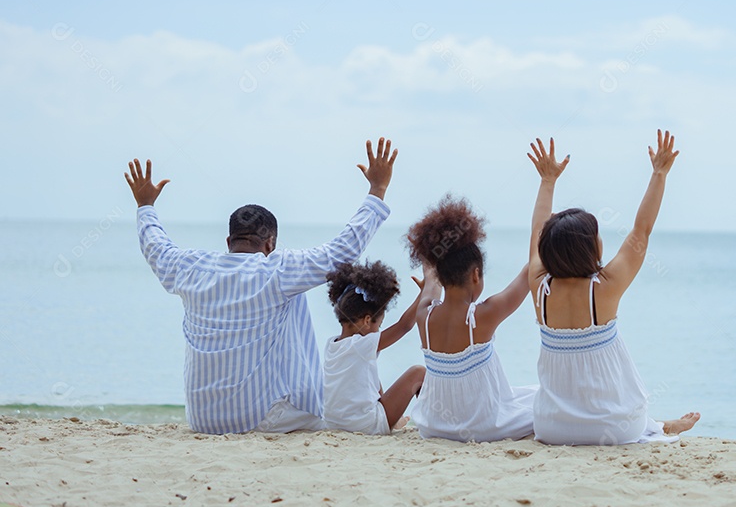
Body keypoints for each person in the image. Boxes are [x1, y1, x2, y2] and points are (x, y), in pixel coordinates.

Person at [125, 138, 398, 434]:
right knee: (294, 292)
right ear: (270, 244)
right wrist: (377, 190)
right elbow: (340, 253)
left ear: (229, 242)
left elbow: (156, 248)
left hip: (202, 420)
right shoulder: (276, 270)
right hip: (261, 419)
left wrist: (145, 206)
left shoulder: (191, 268)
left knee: (291, 290)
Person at [527, 131, 700, 445]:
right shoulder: (604, 289)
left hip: (551, 430)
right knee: (628, 412)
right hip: (615, 430)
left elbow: (538, 230)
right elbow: (642, 231)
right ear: (591, 248)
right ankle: (658, 426)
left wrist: (547, 181)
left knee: (526, 396)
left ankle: (658, 425)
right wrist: (659, 174)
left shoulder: (539, 287)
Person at [406, 195, 536, 442]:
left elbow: (430, 281)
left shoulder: (424, 314)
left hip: (434, 426)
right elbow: (530, 271)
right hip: (483, 426)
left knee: (527, 395)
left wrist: (431, 251)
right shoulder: (483, 315)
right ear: (476, 275)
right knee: (541, 399)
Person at [323, 259, 438, 434]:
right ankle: (434, 423)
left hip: (334, 423)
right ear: (367, 320)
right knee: (418, 373)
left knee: (370, 375)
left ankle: (396, 420)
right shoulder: (361, 345)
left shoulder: (332, 344)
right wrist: (426, 290)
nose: (379, 330)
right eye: (380, 324)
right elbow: (404, 326)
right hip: (364, 425)